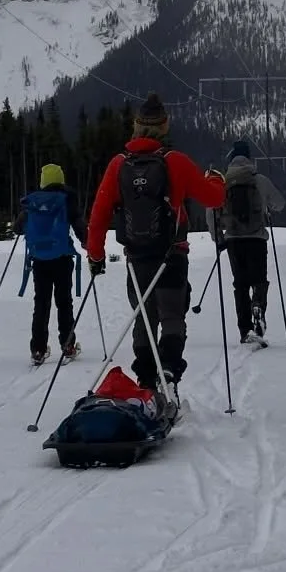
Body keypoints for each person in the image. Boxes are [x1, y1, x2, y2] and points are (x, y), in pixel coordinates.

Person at [85, 93, 226, 393]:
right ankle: (169, 373)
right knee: (173, 315)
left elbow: (98, 216)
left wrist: (95, 256)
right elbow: (213, 198)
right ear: (164, 126)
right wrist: (216, 180)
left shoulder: (118, 165)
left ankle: (147, 379)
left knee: (143, 318)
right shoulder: (174, 161)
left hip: (137, 257)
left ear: (136, 126)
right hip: (172, 254)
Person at [215, 140, 286, 343]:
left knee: (240, 285)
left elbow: (212, 211)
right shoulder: (260, 180)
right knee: (259, 280)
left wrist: (217, 237)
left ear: (231, 160)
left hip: (233, 241)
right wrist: (267, 207)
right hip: (256, 238)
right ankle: (258, 305)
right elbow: (280, 204)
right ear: (250, 158)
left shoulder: (223, 183)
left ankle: (245, 329)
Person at [19, 162, 84, 364]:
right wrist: (90, 244)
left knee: (41, 304)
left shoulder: (33, 201)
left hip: (39, 260)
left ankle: (38, 349)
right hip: (62, 258)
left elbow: (17, 228)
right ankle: (68, 345)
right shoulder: (67, 200)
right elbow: (79, 225)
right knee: (64, 303)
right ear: (61, 179)